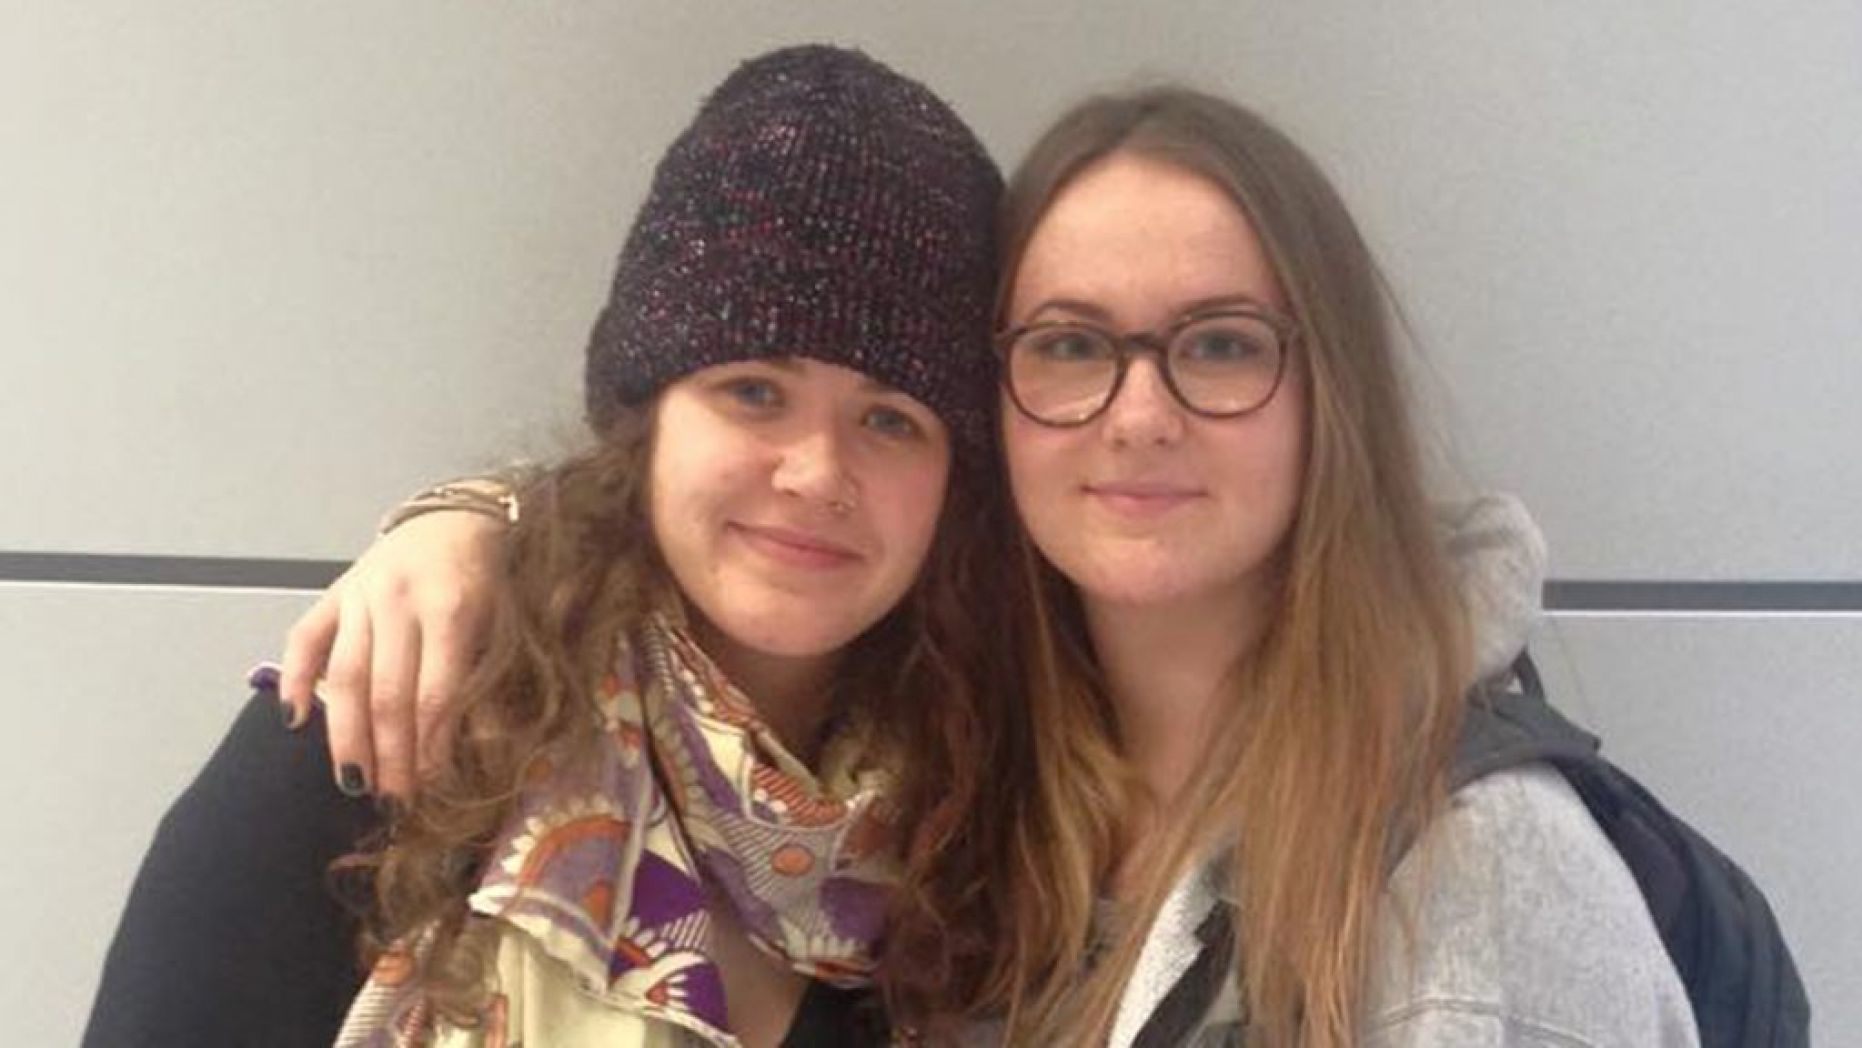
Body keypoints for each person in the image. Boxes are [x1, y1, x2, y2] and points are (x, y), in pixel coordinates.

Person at [265, 92, 1695, 1045]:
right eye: (1071, 344)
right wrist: (473, 521)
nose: (1138, 412)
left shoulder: (1468, 871)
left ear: (1335, 402)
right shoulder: (980, 808)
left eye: (1218, 343)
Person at [85, 44, 1007, 1048]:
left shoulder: (981, 820)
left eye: (889, 419)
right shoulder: (397, 724)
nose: (817, 472)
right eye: (754, 391)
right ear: (646, 421)